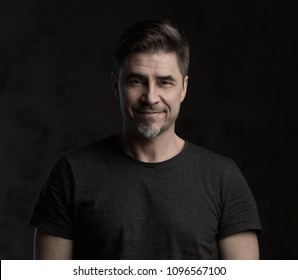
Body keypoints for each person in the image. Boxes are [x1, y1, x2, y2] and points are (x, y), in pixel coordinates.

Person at [30, 19, 261, 260]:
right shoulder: (72, 173)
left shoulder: (223, 178)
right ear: (115, 86)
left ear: (183, 88)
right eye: (136, 81)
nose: (150, 97)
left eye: (165, 82)